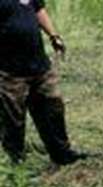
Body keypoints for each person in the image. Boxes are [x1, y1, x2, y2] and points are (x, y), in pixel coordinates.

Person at [0, 0, 90, 167]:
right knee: (12, 118)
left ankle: (61, 154)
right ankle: (15, 162)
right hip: (10, 71)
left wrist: (53, 35)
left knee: (52, 109)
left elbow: (38, 9)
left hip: (39, 65)